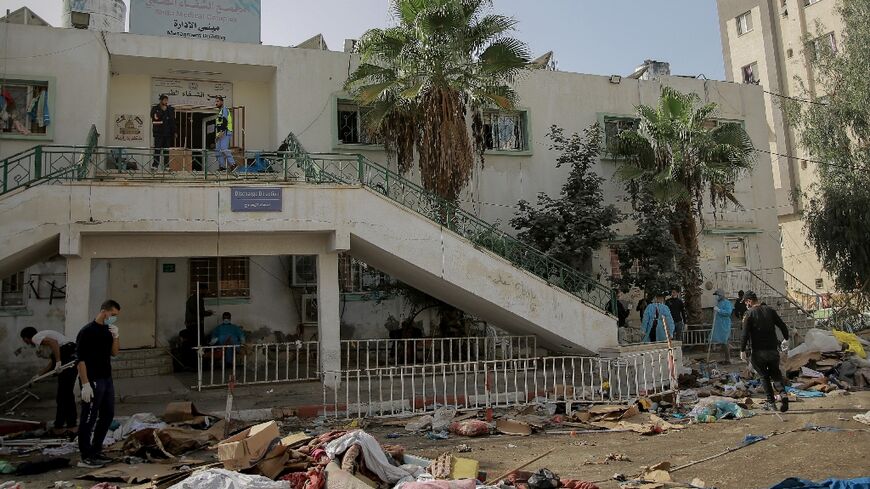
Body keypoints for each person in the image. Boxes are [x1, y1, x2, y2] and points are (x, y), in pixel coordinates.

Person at [76, 300, 121, 468]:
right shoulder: (87, 332)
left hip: (106, 377)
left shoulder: (108, 331)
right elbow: (80, 360)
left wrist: (116, 336)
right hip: (93, 379)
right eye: (113, 315)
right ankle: (86, 455)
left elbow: (114, 353)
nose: (114, 319)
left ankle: (96, 450)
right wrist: (85, 383)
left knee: (107, 414)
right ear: (104, 311)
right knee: (89, 417)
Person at [20, 327, 78, 432]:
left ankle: (64, 425)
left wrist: (59, 362)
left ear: (26, 337)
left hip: (68, 356)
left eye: (25, 340)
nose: (27, 343)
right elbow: (53, 362)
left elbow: (54, 343)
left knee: (64, 395)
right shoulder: (45, 338)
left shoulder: (35, 338)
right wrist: (38, 375)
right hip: (72, 355)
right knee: (65, 394)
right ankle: (66, 424)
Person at [740, 291, 790, 412]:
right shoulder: (770, 310)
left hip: (758, 351)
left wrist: (742, 350)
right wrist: (786, 338)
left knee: (764, 376)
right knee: (776, 373)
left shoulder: (749, 314)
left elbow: (745, 334)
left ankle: (771, 402)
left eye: (746, 302)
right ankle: (783, 394)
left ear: (749, 301)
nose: (746, 305)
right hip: (773, 349)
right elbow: (782, 325)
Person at [150, 94, 175, 170]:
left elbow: (172, 121)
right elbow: (155, 117)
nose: (166, 101)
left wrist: (174, 132)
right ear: (161, 101)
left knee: (166, 151)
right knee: (157, 150)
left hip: (167, 134)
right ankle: (155, 165)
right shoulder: (155, 108)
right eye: (164, 100)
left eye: (167, 100)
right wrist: (161, 110)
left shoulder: (170, 109)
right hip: (158, 133)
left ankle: (166, 166)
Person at [710, 289, 734, 362]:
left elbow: (728, 312)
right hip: (719, 325)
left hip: (724, 325)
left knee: (725, 342)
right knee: (722, 342)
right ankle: (726, 358)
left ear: (721, 295)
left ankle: (728, 359)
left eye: (717, 295)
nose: (716, 297)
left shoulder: (727, 303)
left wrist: (719, 310)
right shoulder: (718, 303)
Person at [214, 95, 235, 171]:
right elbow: (218, 125)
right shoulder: (220, 111)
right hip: (220, 134)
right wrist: (217, 136)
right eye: (215, 101)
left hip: (225, 132)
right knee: (217, 151)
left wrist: (221, 132)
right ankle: (222, 166)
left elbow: (225, 122)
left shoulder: (224, 110)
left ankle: (233, 164)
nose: (216, 103)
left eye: (218, 101)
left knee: (224, 149)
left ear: (222, 102)